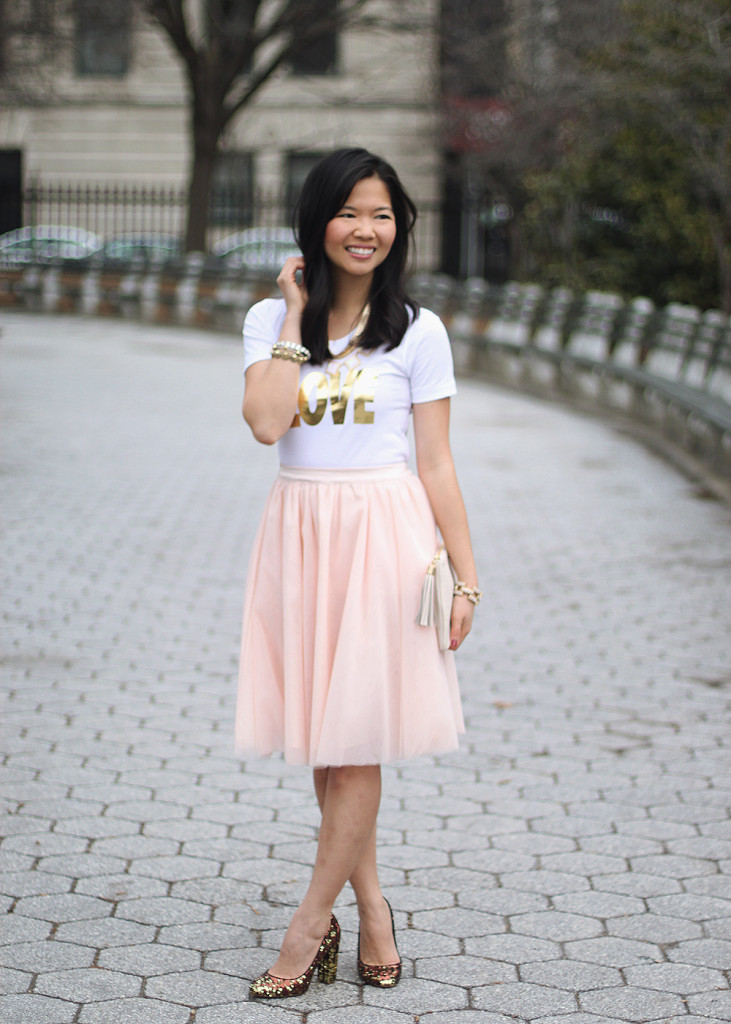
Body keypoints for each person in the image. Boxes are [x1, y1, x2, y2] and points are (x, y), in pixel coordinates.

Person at [235, 147, 480, 1000]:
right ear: (317, 222)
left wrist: (467, 576)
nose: (365, 229)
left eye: (381, 214)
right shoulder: (271, 317)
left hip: (383, 536)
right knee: (325, 737)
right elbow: (267, 424)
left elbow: (438, 463)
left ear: (398, 227)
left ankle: (307, 928)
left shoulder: (419, 330)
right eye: (349, 212)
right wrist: (300, 319)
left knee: (356, 742)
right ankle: (371, 908)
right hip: (300, 533)